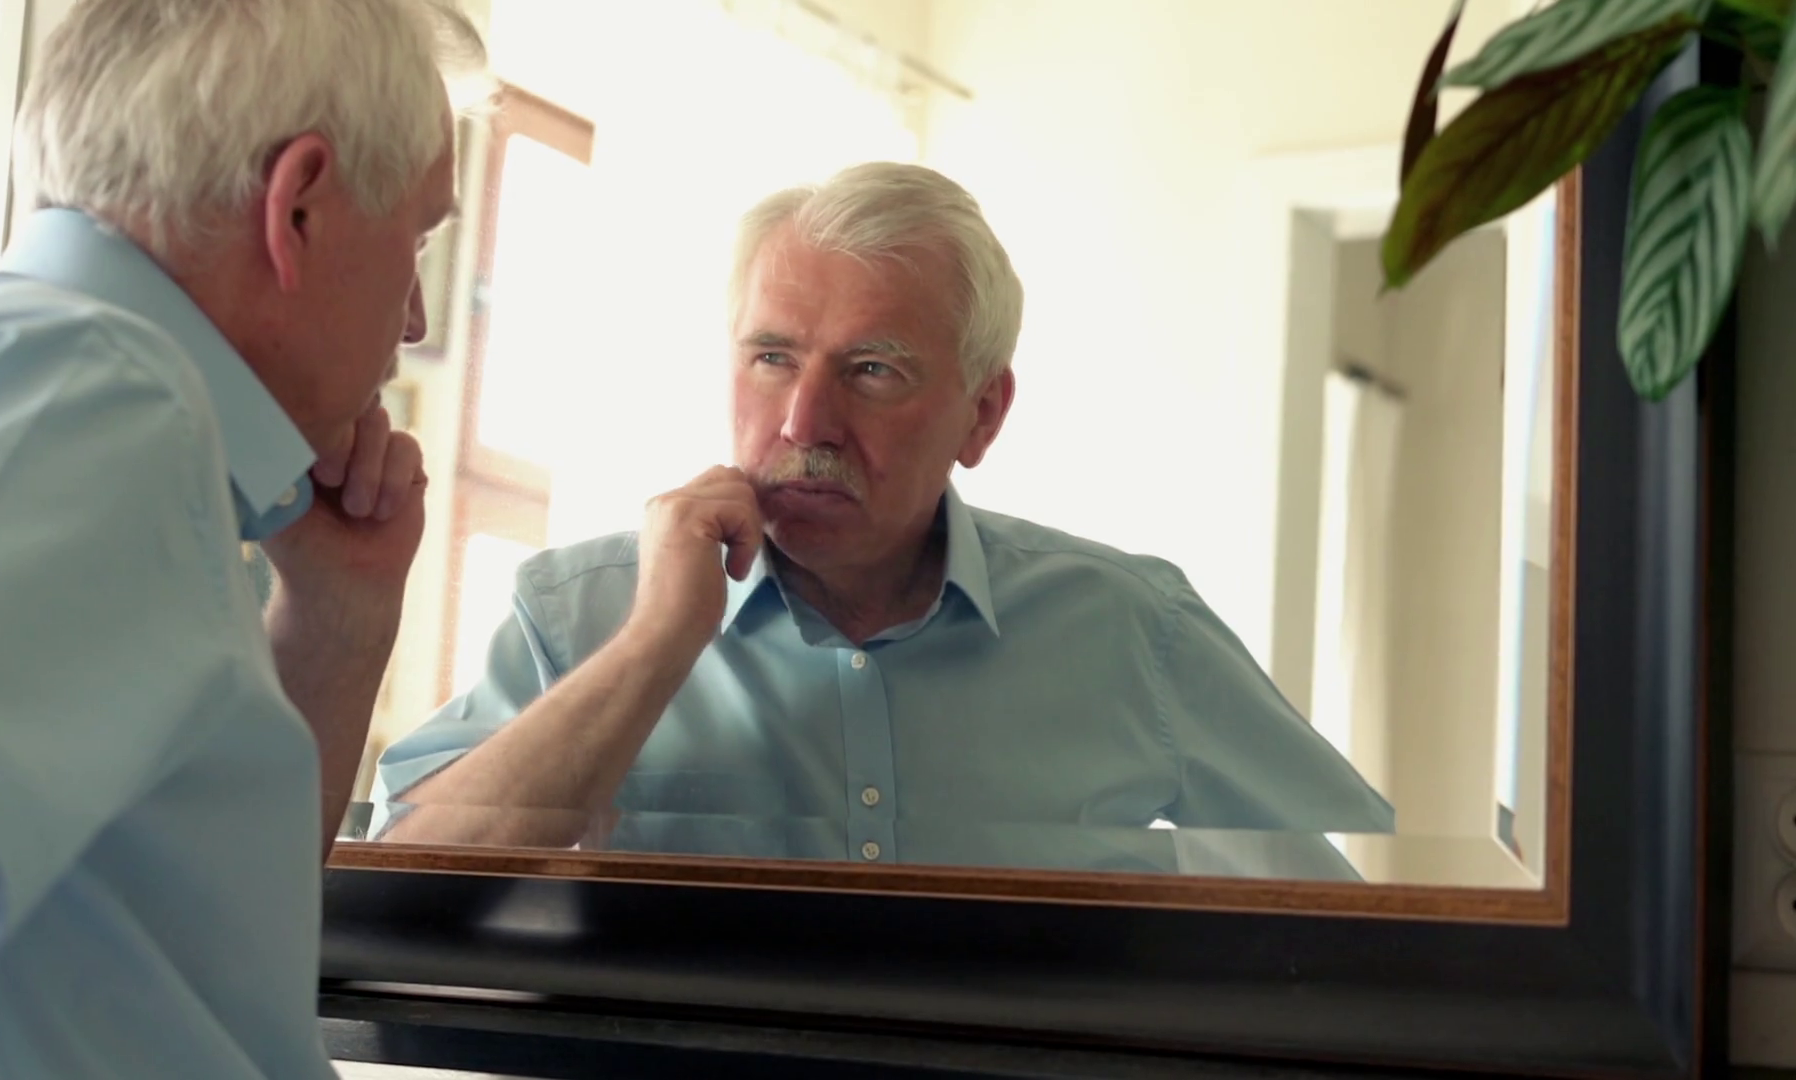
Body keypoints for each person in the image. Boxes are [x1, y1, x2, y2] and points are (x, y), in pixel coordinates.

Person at [371, 162, 1392, 874]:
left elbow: (1371, 915)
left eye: (871, 370)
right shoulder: (580, 612)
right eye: (773, 358)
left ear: (982, 414)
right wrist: (652, 648)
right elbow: (398, 881)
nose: (803, 422)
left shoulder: (1134, 630)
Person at [0, 1, 483, 1077]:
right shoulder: (93, 383)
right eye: (419, 239)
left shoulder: (73, 389)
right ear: (298, 208)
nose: (415, 320)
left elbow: (189, 948)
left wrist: (336, 619)